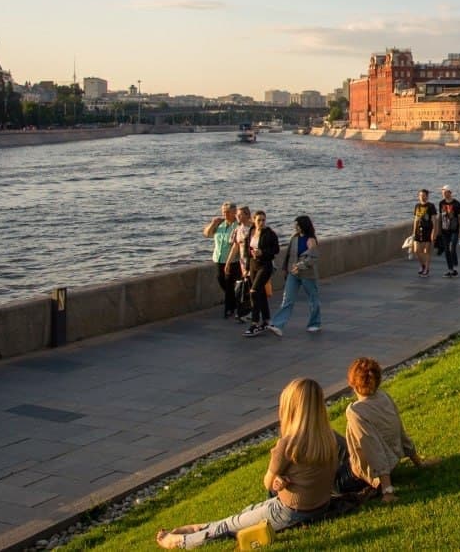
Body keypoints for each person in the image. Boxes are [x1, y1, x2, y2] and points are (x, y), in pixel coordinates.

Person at [155, 378, 338, 548]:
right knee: (246, 512)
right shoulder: (328, 437)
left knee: (229, 527)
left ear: (291, 408)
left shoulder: (287, 444)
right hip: (318, 506)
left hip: (289, 511)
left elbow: (268, 483)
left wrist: (278, 481)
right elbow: (309, 474)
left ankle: (180, 541)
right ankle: (198, 527)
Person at [344, 357, 438, 503]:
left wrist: (387, 491)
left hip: (367, 474)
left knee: (332, 474)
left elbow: (373, 448)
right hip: (392, 462)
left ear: (352, 384)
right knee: (338, 445)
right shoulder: (384, 397)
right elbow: (401, 432)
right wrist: (418, 462)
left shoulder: (356, 411)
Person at [267, 215, 321, 337]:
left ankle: (315, 323)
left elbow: (313, 258)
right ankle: (277, 324)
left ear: (302, 226)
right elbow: (288, 255)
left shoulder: (311, 240)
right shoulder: (294, 238)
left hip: (307, 274)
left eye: (297, 225)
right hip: (293, 273)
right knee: (287, 299)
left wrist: (300, 266)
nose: (295, 227)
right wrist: (286, 269)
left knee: (313, 299)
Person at [243, 210, 280, 337]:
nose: (261, 222)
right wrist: (247, 268)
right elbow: (248, 251)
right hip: (253, 266)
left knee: (254, 292)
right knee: (261, 293)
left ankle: (254, 323)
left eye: (263, 220)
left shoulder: (269, 234)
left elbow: (276, 250)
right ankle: (266, 320)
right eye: (259, 220)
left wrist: (262, 252)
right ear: (254, 220)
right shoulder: (251, 231)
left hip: (265, 266)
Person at [203, 201, 239, 320]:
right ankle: (235, 302)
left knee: (229, 284)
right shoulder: (220, 224)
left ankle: (229, 309)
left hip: (232, 260)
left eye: (228, 212)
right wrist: (213, 223)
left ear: (234, 212)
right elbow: (207, 234)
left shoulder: (237, 226)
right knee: (221, 280)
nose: (225, 214)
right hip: (219, 258)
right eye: (223, 212)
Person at [438, 186, 460, 278]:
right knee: (447, 250)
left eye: (445, 192)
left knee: (452, 247)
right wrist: (438, 230)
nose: (444, 194)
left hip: (454, 230)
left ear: (450, 192)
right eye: (442, 192)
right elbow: (440, 217)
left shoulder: (456, 203)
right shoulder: (441, 203)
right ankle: (451, 270)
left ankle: (454, 264)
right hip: (444, 230)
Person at [411, 189, 437, 277]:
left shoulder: (431, 206)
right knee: (416, 250)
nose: (422, 197)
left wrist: (433, 231)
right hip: (418, 231)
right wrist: (413, 232)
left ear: (427, 196)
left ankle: (427, 269)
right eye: (420, 195)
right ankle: (423, 265)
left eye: (424, 195)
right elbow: (416, 219)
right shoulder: (417, 206)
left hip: (428, 231)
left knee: (426, 251)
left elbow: (434, 220)